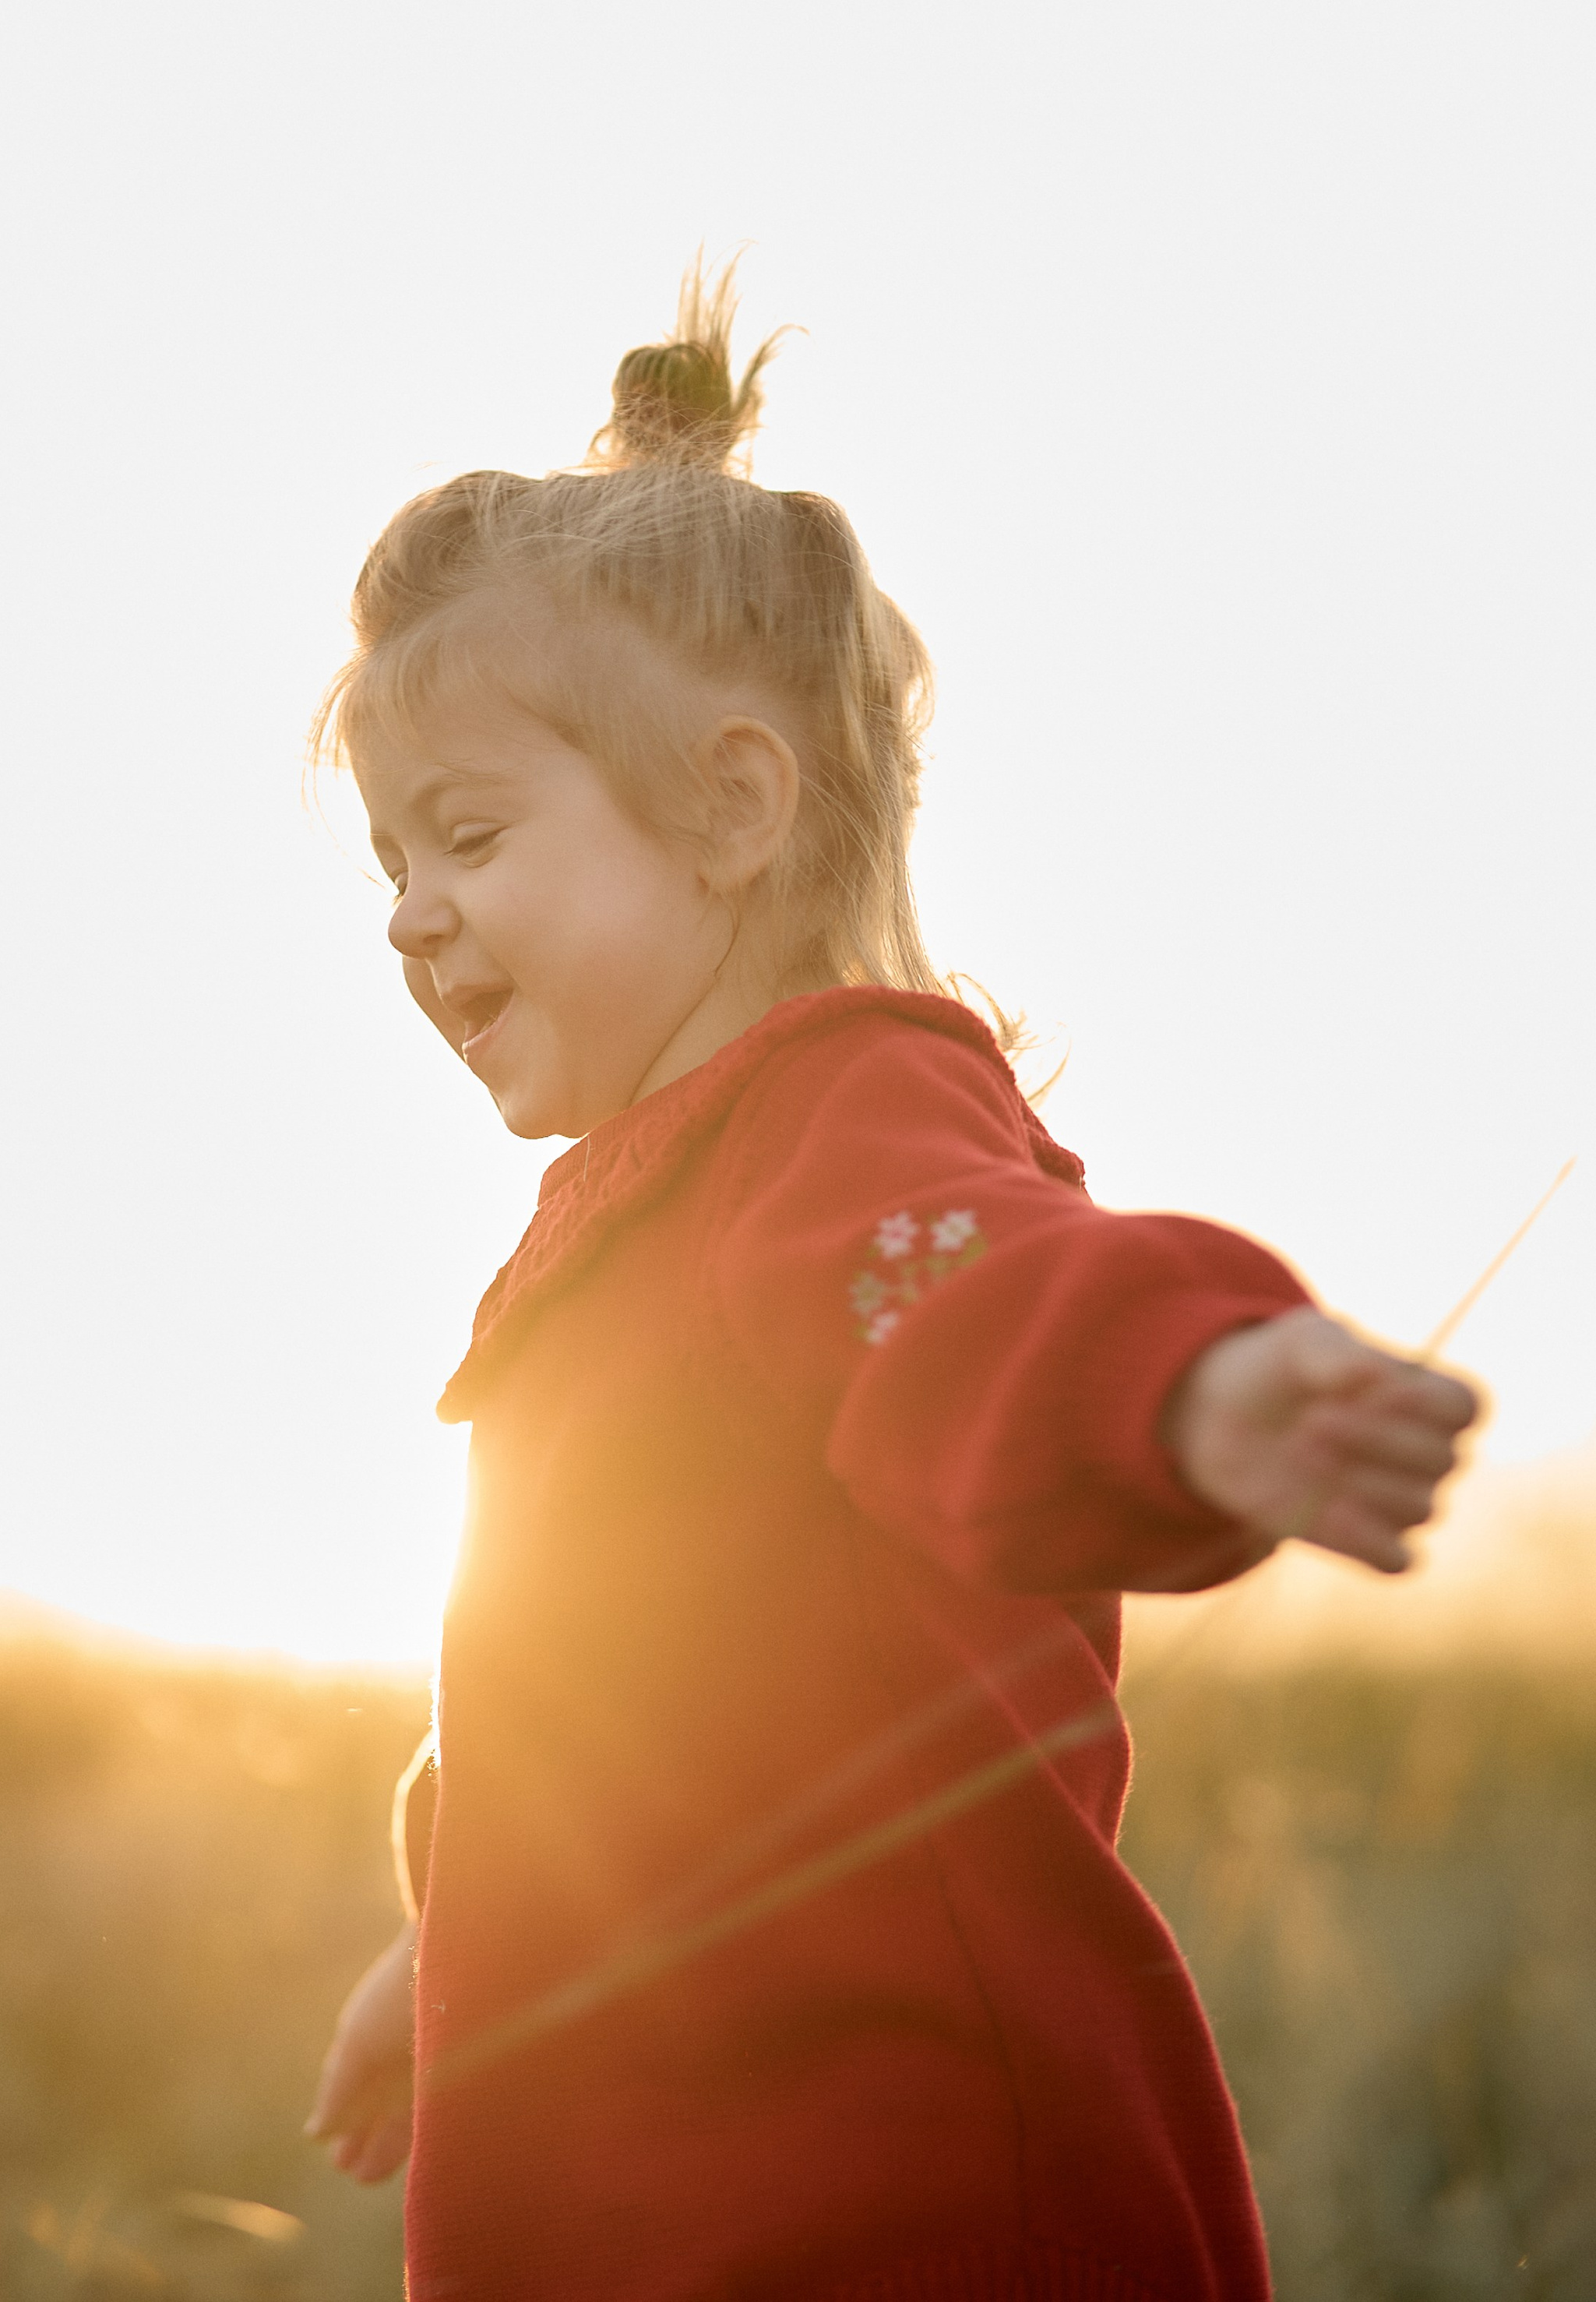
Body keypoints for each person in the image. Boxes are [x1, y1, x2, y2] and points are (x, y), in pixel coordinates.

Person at [302, 263, 1476, 2302]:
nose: (412, 916)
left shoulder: (834, 1124)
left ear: (734, 807)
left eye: (469, 833)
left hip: (893, 2194)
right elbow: (607, 1667)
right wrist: (456, 1924)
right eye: (390, 857)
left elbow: (991, 1304)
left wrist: (1188, 1383)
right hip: (656, 2182)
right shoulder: (633, 1211)